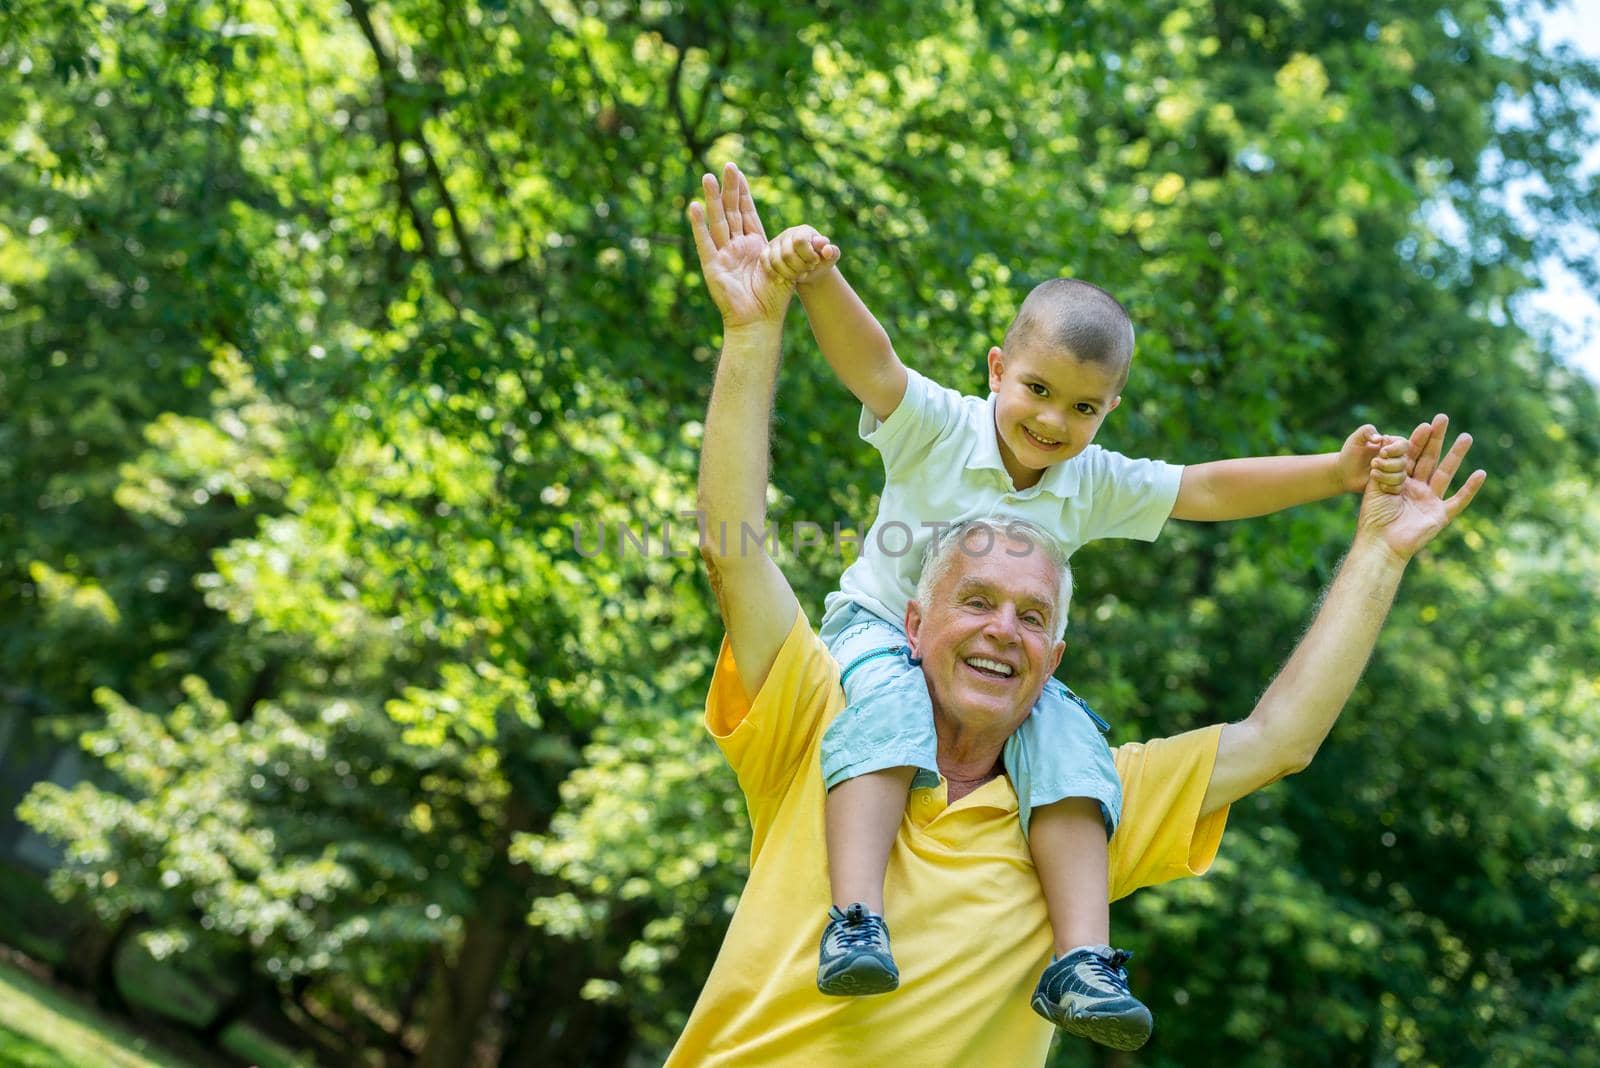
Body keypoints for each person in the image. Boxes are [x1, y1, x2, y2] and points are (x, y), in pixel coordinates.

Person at [670, 162, 1484, 1066]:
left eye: (1030, 615)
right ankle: (854, 919)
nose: (1054, 422)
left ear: (1055, 651)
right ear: (997, 373)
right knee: (889, 714)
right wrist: (791, 299)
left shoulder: (1081, 792)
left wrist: (1356, 513)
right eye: (975, 600)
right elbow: (853, 393)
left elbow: (1210, 505)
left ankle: (1083, 960)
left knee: (1073, 753)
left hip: (1036, 743)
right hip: (865, 647)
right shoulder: (820, 715)